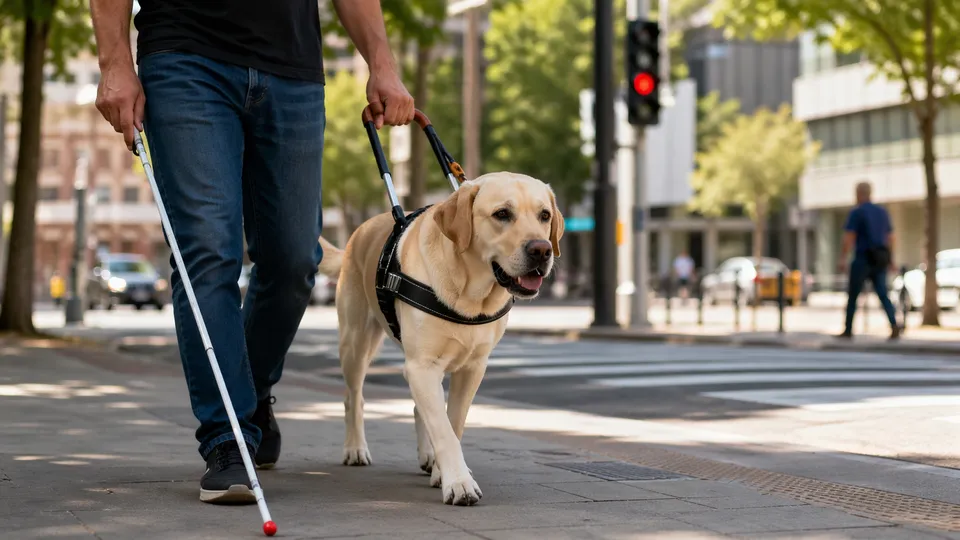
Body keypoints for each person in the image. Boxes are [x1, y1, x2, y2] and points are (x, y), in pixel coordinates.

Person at [89, 0, 415, 504]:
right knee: (207, 251)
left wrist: (383, 64)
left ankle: (253, 392)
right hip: (185, 59)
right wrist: (115, 64)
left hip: (293, 70)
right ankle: (226, 437)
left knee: (294, 259)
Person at [837, 181, 900, 340]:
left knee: (853, 294)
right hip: (880, 258)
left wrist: (843, 258)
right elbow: (891, 238)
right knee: (882, 293)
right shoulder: (882, 212)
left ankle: (848, 329)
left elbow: (849, 237)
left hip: (863, 257)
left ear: (858, 193)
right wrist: (891, 259)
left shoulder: (857, 212)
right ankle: (894, 324)